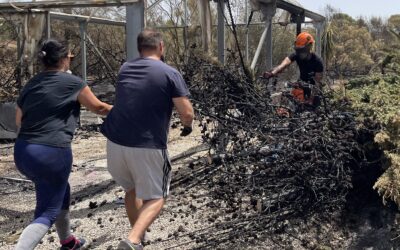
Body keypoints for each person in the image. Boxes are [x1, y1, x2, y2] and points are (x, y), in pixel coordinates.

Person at [14, 39, 112, 250]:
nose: (70, 60)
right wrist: (126, 109)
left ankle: (67, 241)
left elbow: (18, 120)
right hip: (52, 153)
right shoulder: (73, 83)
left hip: (23, 152)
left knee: (61, 188)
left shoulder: (32, 83)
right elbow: (99, 108)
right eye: (69, 57)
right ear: (62, 58)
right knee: (46, 212)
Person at [101, 29, 194, 250]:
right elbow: (187, 112)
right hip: (147, 145)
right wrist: (187, 127)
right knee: (156, 196)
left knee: (132, 189)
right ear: (161, 47)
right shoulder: (170, 73)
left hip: (115, 143)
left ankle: (138, 238)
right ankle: (132, 240)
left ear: (138, 48)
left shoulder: (125, 68)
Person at [263, 32, 324, 106]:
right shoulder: (296, 55)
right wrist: (272, 73)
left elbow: (317, 84)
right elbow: (283, 65)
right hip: (301, 87)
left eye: (302, 50)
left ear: (309, 47)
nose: (299, 53)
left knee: (313, 112)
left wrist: (311, 99)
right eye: (298, 50)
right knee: (290, 104)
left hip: (314, 93)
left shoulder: (317, 61)